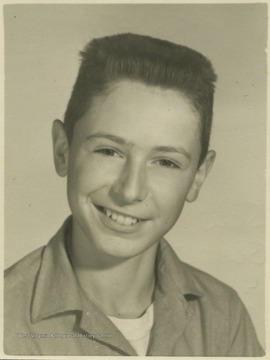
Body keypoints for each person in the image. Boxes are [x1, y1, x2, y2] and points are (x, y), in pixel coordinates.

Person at [4, 33, 264, 356]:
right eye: (109, 151)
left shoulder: (223, 318)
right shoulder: (7, 318)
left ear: (198, 177)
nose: (130, 191)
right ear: (63, 150)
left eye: (166, 162)